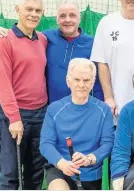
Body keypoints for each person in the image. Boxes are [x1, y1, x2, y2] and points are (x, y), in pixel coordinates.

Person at [0, 0, 104, 103]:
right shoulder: (45, 38)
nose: (67, 20)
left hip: (81, 107)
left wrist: (100, 105)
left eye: (72, 15)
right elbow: (22, 38)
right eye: (62, 16)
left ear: (79, 18)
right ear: (57, 19)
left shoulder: (92, 44)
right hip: (50, 109)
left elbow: (98, 80)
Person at [0, 0, 48, 190]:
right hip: (14, 118)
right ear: (17, 10)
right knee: (11, 176)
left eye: (38, 11)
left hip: (40, 116)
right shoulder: (3, 42)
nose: (34, 14)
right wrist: (14, 118)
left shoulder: (42, 39)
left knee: (35, 175)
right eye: (29, 9)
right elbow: (2, 84)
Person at [40, 58, 114, 190]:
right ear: (68, 81)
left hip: (90, 174)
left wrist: (90, 158)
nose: (81, 85)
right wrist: (62, 163)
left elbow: (108, 144)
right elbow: (45, 144)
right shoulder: (54, 109)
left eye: (86, 80)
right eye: (77, 80)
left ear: (92, 82)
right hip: (60, 169)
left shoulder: (104, 110)